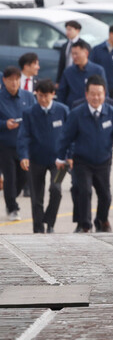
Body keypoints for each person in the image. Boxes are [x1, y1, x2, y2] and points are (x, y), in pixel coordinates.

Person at [56, 75, 113, 233]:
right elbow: (65, 137)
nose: (96, 97)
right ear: (86, 94)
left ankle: (101, 220)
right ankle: (85, 225)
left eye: (99, 94)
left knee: (106, 196)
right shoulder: (77, 113)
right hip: (82, 161)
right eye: (93, 93)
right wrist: (61, 158)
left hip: (103, 161)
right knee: (84, 191)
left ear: (105, 94)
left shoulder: (111, 112)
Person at [17, 79, 68, 233]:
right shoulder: (29, 113)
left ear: (53, 94)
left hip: (59, 162)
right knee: (36, 197)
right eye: (39, 96)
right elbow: (23, 136)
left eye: (46, 96)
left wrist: (70, 155)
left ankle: (50, 222)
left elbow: (71, 134)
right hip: (36, 160)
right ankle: (38, 229)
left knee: (56, 189)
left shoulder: (63, 111)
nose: (43, 100)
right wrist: (24, 155)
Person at [0, 66, 37, 220]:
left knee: (23, 177)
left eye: (17, 79)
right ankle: (12, 207)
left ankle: (11, 197)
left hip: (24, 146)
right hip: (5, 143)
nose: (14, 83)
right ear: (4, 81)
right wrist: (4, 124)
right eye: (10, 80)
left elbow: (35, 116)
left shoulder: (28, 97)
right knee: (10, 176)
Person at [57, 41, 107, 109]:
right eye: (72, 54)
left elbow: (105, 93)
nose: (74, 57)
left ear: (86, 53)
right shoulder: (68, 72)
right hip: (72, 110)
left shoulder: (98, 70)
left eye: (76, 54)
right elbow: (61, 94)